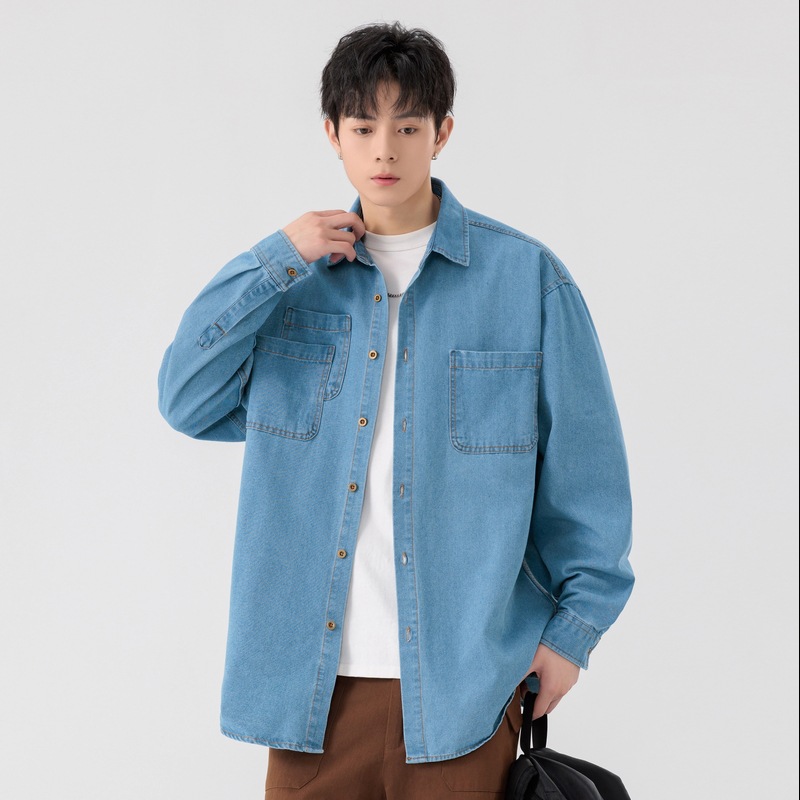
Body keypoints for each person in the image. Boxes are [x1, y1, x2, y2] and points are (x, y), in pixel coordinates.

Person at [157, 21, 635, 799]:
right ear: (333, 135)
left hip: (466, 693)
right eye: (363, 127)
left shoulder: (528, 282)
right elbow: (185, 398)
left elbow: (590, 480)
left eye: (408, 127)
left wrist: (572, 637)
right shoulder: (296, 288)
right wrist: (277, 256)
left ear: (442, 133)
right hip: (312, 697)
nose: (385, 150)